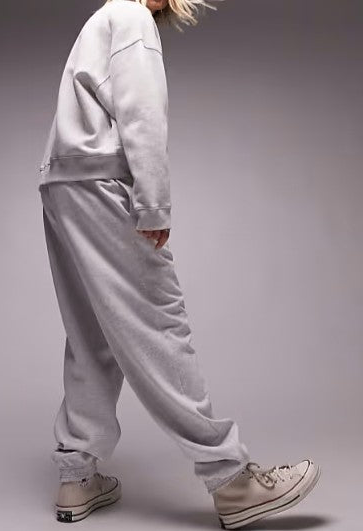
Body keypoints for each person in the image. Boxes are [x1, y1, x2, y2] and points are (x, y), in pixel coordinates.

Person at [38, 0, 321, 528]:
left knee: (91, 333)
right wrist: (153, 205)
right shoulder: (132, 19)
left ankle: (77, 474)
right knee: (158, 326)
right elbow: (142, 114)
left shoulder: (102, 18)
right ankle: (232, 480)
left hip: (62, 182)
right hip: (102, 183)